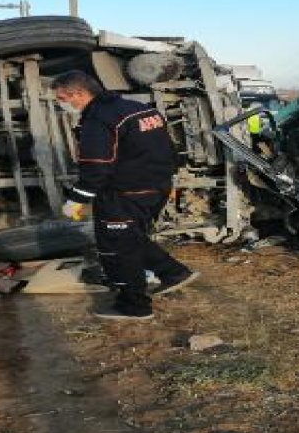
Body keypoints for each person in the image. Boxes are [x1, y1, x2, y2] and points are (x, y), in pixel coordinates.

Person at [51, 70, 199, 321]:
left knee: (118, 247)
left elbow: (97, 166)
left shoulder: (98, 119)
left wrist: (77, 199)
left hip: (123, 193)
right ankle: (173, 272)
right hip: (156, 188)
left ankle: (134, 306)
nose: (61, 104)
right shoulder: (139, 109)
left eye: (62, 98)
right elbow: (169, 149)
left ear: (78, 93)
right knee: (132, 238)